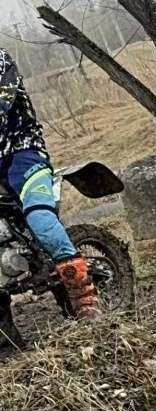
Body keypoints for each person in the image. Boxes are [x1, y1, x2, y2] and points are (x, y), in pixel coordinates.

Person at [0, 48, 96, 313]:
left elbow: (2, 103)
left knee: (39, 217)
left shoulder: (0, 60)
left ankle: (85, 298)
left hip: (23, 154)